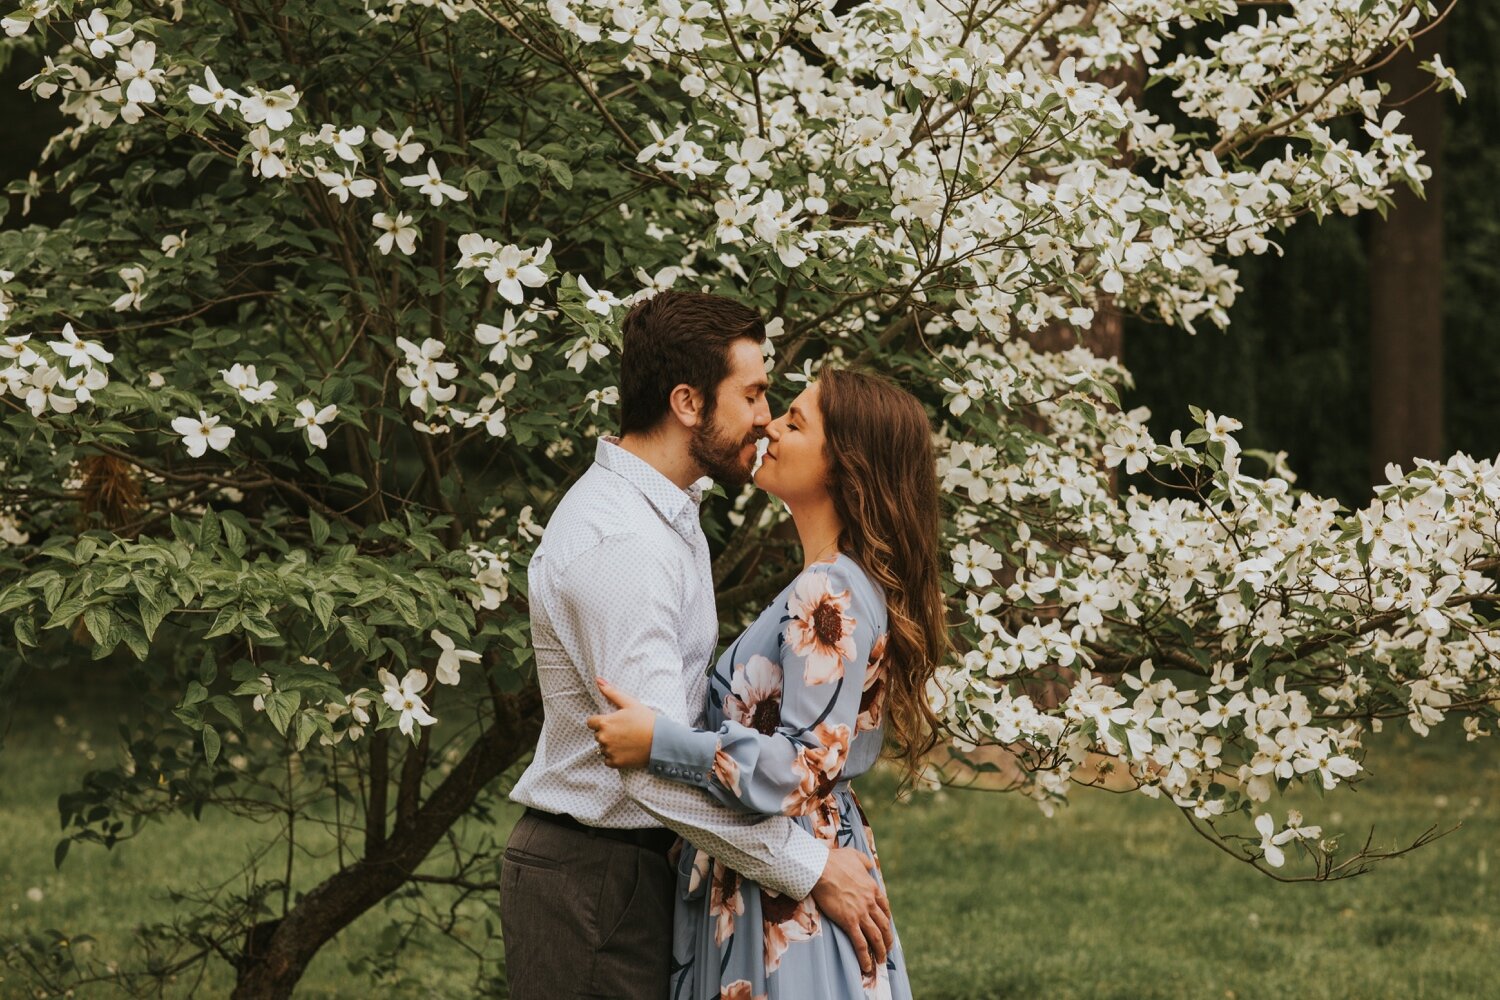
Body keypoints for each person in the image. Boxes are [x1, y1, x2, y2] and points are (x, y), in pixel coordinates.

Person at [499, 293, 893, 1000]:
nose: (766, 419)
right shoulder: (622, 543)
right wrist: (809, 866)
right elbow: (646, 768)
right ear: (687, 402)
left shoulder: (667, 519)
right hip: (598, 875)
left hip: (645, 864)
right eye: (752, 394)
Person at [588, 367, 949, 1000]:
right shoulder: (834, 580)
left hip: (789, 882)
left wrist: (662, 742)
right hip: (787, 860)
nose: (770, 425)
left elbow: (805, 764)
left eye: (796, 421)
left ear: (844, 465)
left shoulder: (827, 589)